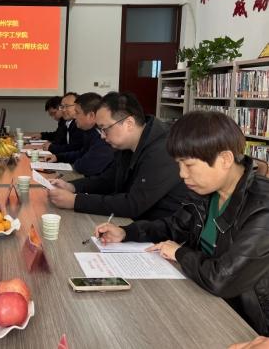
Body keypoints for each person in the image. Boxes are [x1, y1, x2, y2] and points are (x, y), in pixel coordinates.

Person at [95, 111, 269, 335]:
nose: (182, 174)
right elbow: (174, 226)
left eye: (189, 165)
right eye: (179, 165)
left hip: (245, 322)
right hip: (202, 295)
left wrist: (179, 253)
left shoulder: (262, 207)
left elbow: (223, 279)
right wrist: (126, 232)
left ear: (225, 159)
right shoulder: (208, 190)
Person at [49, 92, 187, 220]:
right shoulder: (128, 144)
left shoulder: (164, 150)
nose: (102, 136)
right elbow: (108, 180)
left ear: (129, 124)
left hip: (161, 231)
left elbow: (133, 204)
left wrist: (75, 201)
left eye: (105, 129)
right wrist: (72, 187)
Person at [47, 92, 114, 176]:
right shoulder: (89, 132)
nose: (75, 116)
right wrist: (58, 157)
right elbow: (81, 153)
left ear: (91, 116)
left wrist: (78, 161)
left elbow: (83, 166)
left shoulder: (101, 136)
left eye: (77, 112)